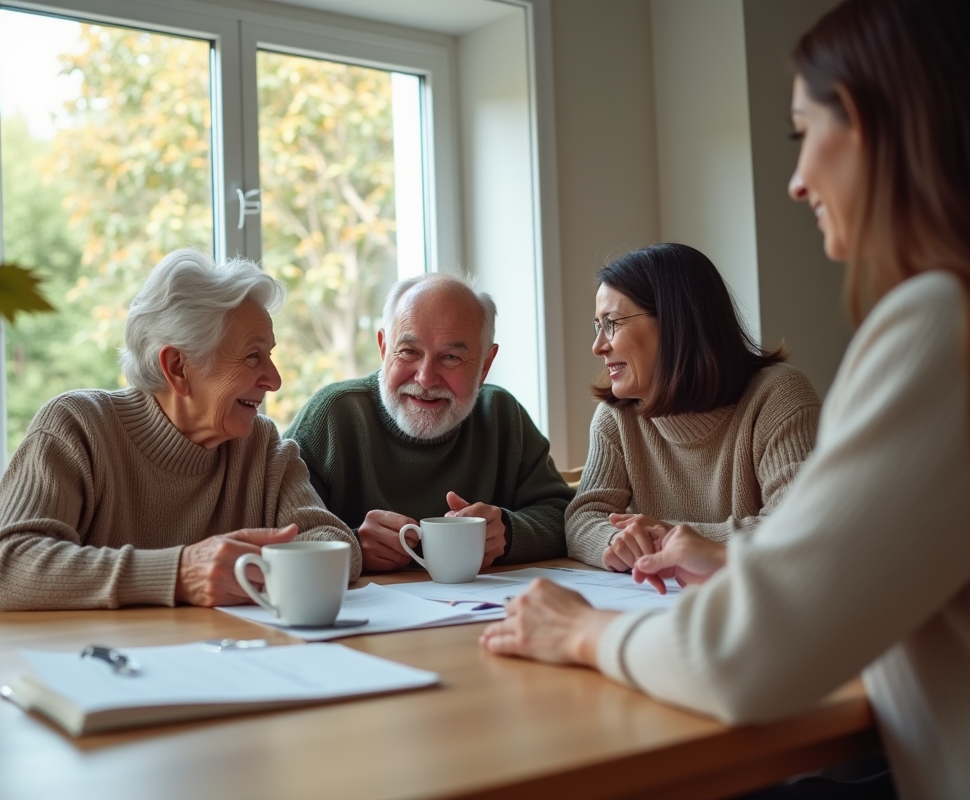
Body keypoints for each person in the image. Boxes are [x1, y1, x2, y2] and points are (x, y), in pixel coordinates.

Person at [481, 0, 970, 796]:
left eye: (803, 132)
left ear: (878, 127)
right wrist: (723, 552)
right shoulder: (620, 416)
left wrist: (581, 629)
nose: (798, 179)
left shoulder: (940, 325)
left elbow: (751, 654)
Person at [0, 249, 360, 610]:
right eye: (252, 356)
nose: (274, 380)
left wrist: (242, 568)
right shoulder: (77, 427)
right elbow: (9, 568)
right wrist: (181, 572)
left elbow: (334, 544)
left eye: (270, 355)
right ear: (178, 366)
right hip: (75, 666)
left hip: (198, 660)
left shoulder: (260, 445)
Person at [286, 272, 573, 572]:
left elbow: (564, 516)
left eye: (450, 357)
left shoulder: (501, 415)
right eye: (409, 351)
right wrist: (353, 545)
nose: (425, 377)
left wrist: (509, 532)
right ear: (384, 348)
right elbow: (274, 532)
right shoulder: (333, 416)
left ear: (485, 365)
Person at [565, 243, 820, 572]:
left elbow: (801, 525)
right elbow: (582, 519)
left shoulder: (778, 397)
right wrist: (618, 543)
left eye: (611, 323)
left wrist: (674, 541)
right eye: (597, 326)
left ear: (674, 322)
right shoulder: (617, 417)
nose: (598, 346)